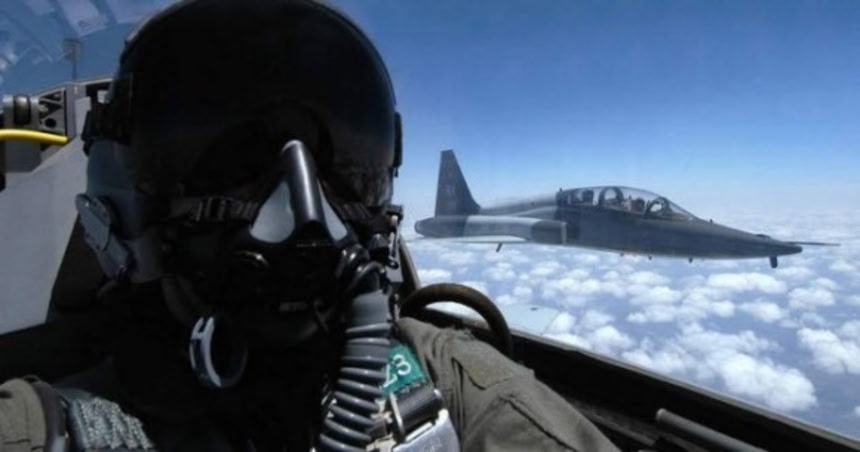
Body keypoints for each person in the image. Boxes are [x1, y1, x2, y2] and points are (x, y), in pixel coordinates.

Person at [0, 1, 619, 451]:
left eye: (342, 162)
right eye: (230, 161)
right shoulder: (41, 427)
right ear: (125, 195)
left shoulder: (456, 387)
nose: (303, 208)